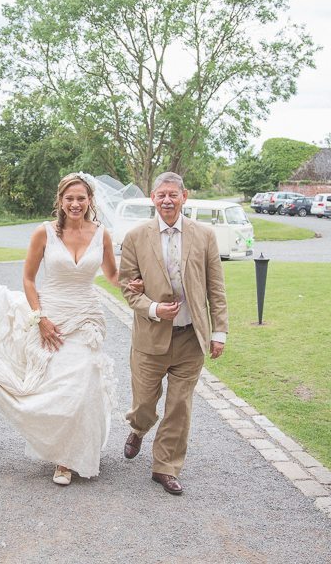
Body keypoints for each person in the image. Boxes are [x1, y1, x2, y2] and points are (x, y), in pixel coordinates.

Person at [0, 173, 142, 486]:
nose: (76, 204)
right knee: (60, 387)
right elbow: (27, 279)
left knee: (87, 380)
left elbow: (111, 273)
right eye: (70, 198)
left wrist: (129, 283)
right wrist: (40, 318)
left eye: (81, 198)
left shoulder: (101, 234)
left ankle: (75, 456)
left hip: (87, 317)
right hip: (52, 316)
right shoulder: (44, 233)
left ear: (90, 200)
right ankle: (64, 457)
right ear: (60, 201)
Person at [118, 172, 228, 495]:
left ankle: (164, 467)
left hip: (189, 339)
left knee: (179, 405)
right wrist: (153, 309)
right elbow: (128, 288)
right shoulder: (136, 237)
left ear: (184, 196)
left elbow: (216, 287)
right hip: (150, 340)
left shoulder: (205, 235)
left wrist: (218, 331)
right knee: (144, 404)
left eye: (173, 194)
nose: (167, 200)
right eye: (161, 194)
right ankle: (138, 428)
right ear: (153, 198)